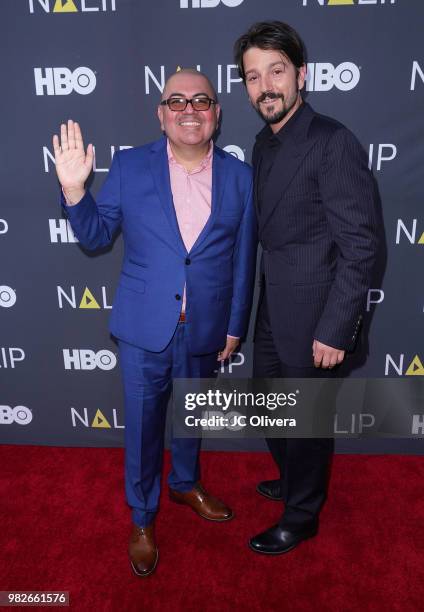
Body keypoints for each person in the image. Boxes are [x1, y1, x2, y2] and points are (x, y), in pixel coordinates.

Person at [52, 68, 257, 576]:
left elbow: (244, 259)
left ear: (217, 112)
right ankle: (143, 516)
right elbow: (97, 237)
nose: (190, 109)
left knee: (191, 419)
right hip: (145, 329)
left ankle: (185, 484)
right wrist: (76, 193)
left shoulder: (241, 177)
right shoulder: (129, 166)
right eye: (177, 101)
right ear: (161, 113)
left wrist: (235, 326)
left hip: (207, 327)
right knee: (143, 430)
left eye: (202, 100)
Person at [234, 21, 379, 554]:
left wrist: (336, 328)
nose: (266, 86)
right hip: (274, 307)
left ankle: (302, 514)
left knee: (307, 420)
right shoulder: (262, 144)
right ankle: (296, 478)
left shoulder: (331, 141)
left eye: (276, 71)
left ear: (301, 74)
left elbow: (361, 247)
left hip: (319, 315)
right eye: (253, 77)